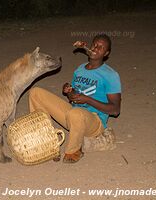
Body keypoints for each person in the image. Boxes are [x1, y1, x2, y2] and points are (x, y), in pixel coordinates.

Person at [28, 34, 122, 163]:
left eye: (101, 48)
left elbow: (115, 110)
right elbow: (74, 97)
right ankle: (48, 142)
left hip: (94, 121)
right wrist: (69, 91)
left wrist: (87, 100)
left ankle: (73, 151)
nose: (95, 48)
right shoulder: (80, 69)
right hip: (74, 117)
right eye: (95, 44)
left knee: (76, 113)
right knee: (35, 93)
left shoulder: (110, 75)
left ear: (106, 53)